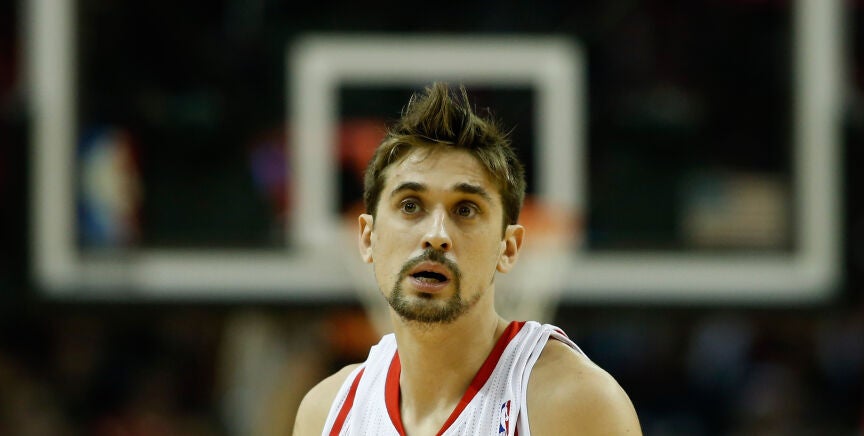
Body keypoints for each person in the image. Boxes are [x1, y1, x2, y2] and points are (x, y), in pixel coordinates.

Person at [293, 83, 641, 435]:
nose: (436, 234)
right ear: (368, 238)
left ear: (508, 248)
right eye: (410, 206)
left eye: (465, 209)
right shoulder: (325, 412)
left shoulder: (575, 402)